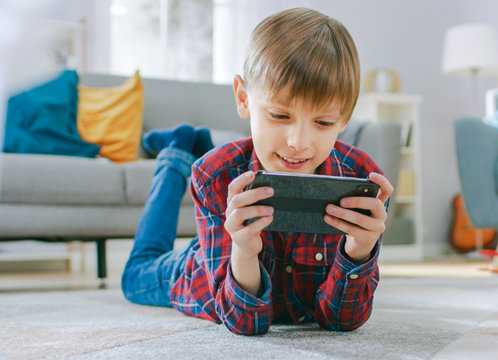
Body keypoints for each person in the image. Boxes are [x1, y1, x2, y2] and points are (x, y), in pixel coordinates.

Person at [121, 7, 393, 336]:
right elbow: (243, 322)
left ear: (345, 118)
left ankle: (188, 145)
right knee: (135, 275)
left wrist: (359, 251)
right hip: (205, 273)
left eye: (323, 122)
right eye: (279, 115)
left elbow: (341, 321)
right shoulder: (215, 175)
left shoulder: (361, 184)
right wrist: (244, 251)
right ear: (243, 98)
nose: (298, 142)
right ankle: (175, 154)